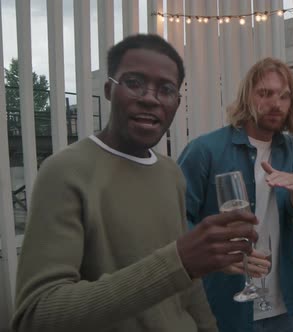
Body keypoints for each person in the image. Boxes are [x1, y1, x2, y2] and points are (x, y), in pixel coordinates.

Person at [11, 34, 258, 332]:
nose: (150, 98)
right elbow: (37, 314)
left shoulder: (171, 173)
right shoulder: (65, 172)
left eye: (166, 89)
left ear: (177, 103)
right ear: (108, 90)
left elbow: (188, 288)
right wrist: (178, 261)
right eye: (134, 83)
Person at [177, 57, 293, 332]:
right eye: (265, 93)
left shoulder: (290, 149)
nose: (276, 104)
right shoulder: (205, 150)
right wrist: (219, 254)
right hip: (224, 299)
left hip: (279, 298)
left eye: (284, 96)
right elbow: (177, 218)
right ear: (246, 98)